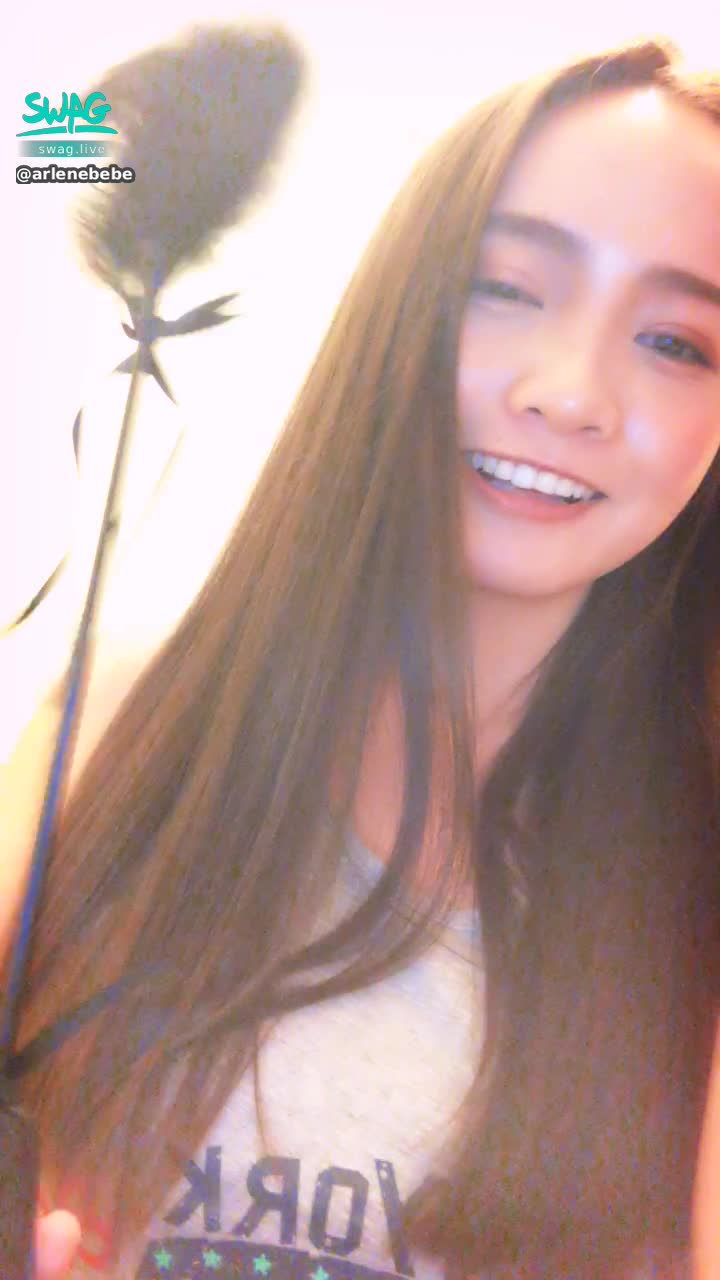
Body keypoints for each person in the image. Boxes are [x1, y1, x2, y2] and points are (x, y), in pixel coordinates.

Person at [8, 32, 720, 1280]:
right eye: (507, 286)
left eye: (677, 343)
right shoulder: (125, 715)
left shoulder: (690, 888)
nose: (570, 393)